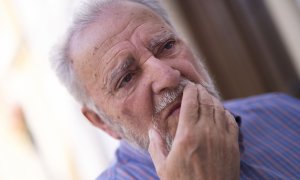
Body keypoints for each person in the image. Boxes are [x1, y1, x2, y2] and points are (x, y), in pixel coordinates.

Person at [51, 0, 300, 179]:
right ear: (101, 122)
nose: (167, 76)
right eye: (126, 78)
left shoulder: (283, 113)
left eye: (167, 46)